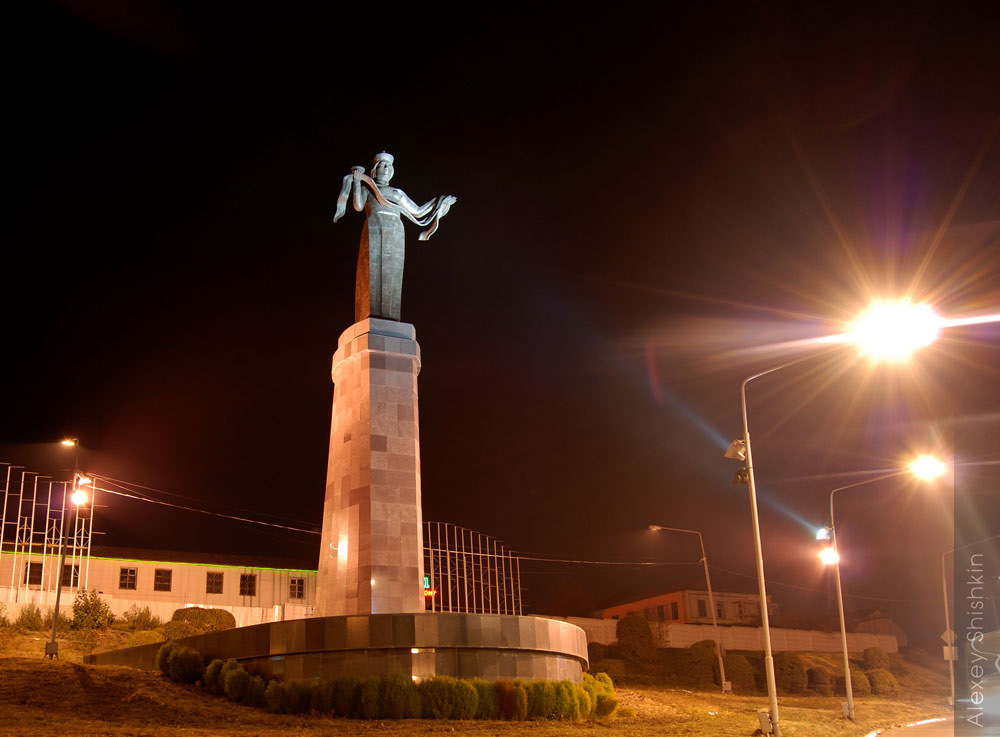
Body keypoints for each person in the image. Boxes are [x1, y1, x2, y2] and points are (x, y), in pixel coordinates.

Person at [333, 152, 456, 321]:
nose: (385, 169)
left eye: (388, 166)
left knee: (392, 274)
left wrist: (440, 203)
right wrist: (356, 181)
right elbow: (358, 206)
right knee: (372, 273)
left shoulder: (397, 193)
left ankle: (391, 316)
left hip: (396, 230)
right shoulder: (367, 188)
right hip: (374, 225)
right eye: (381, 166)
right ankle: (371, 315)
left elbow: (418, 211)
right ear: (374, 170)